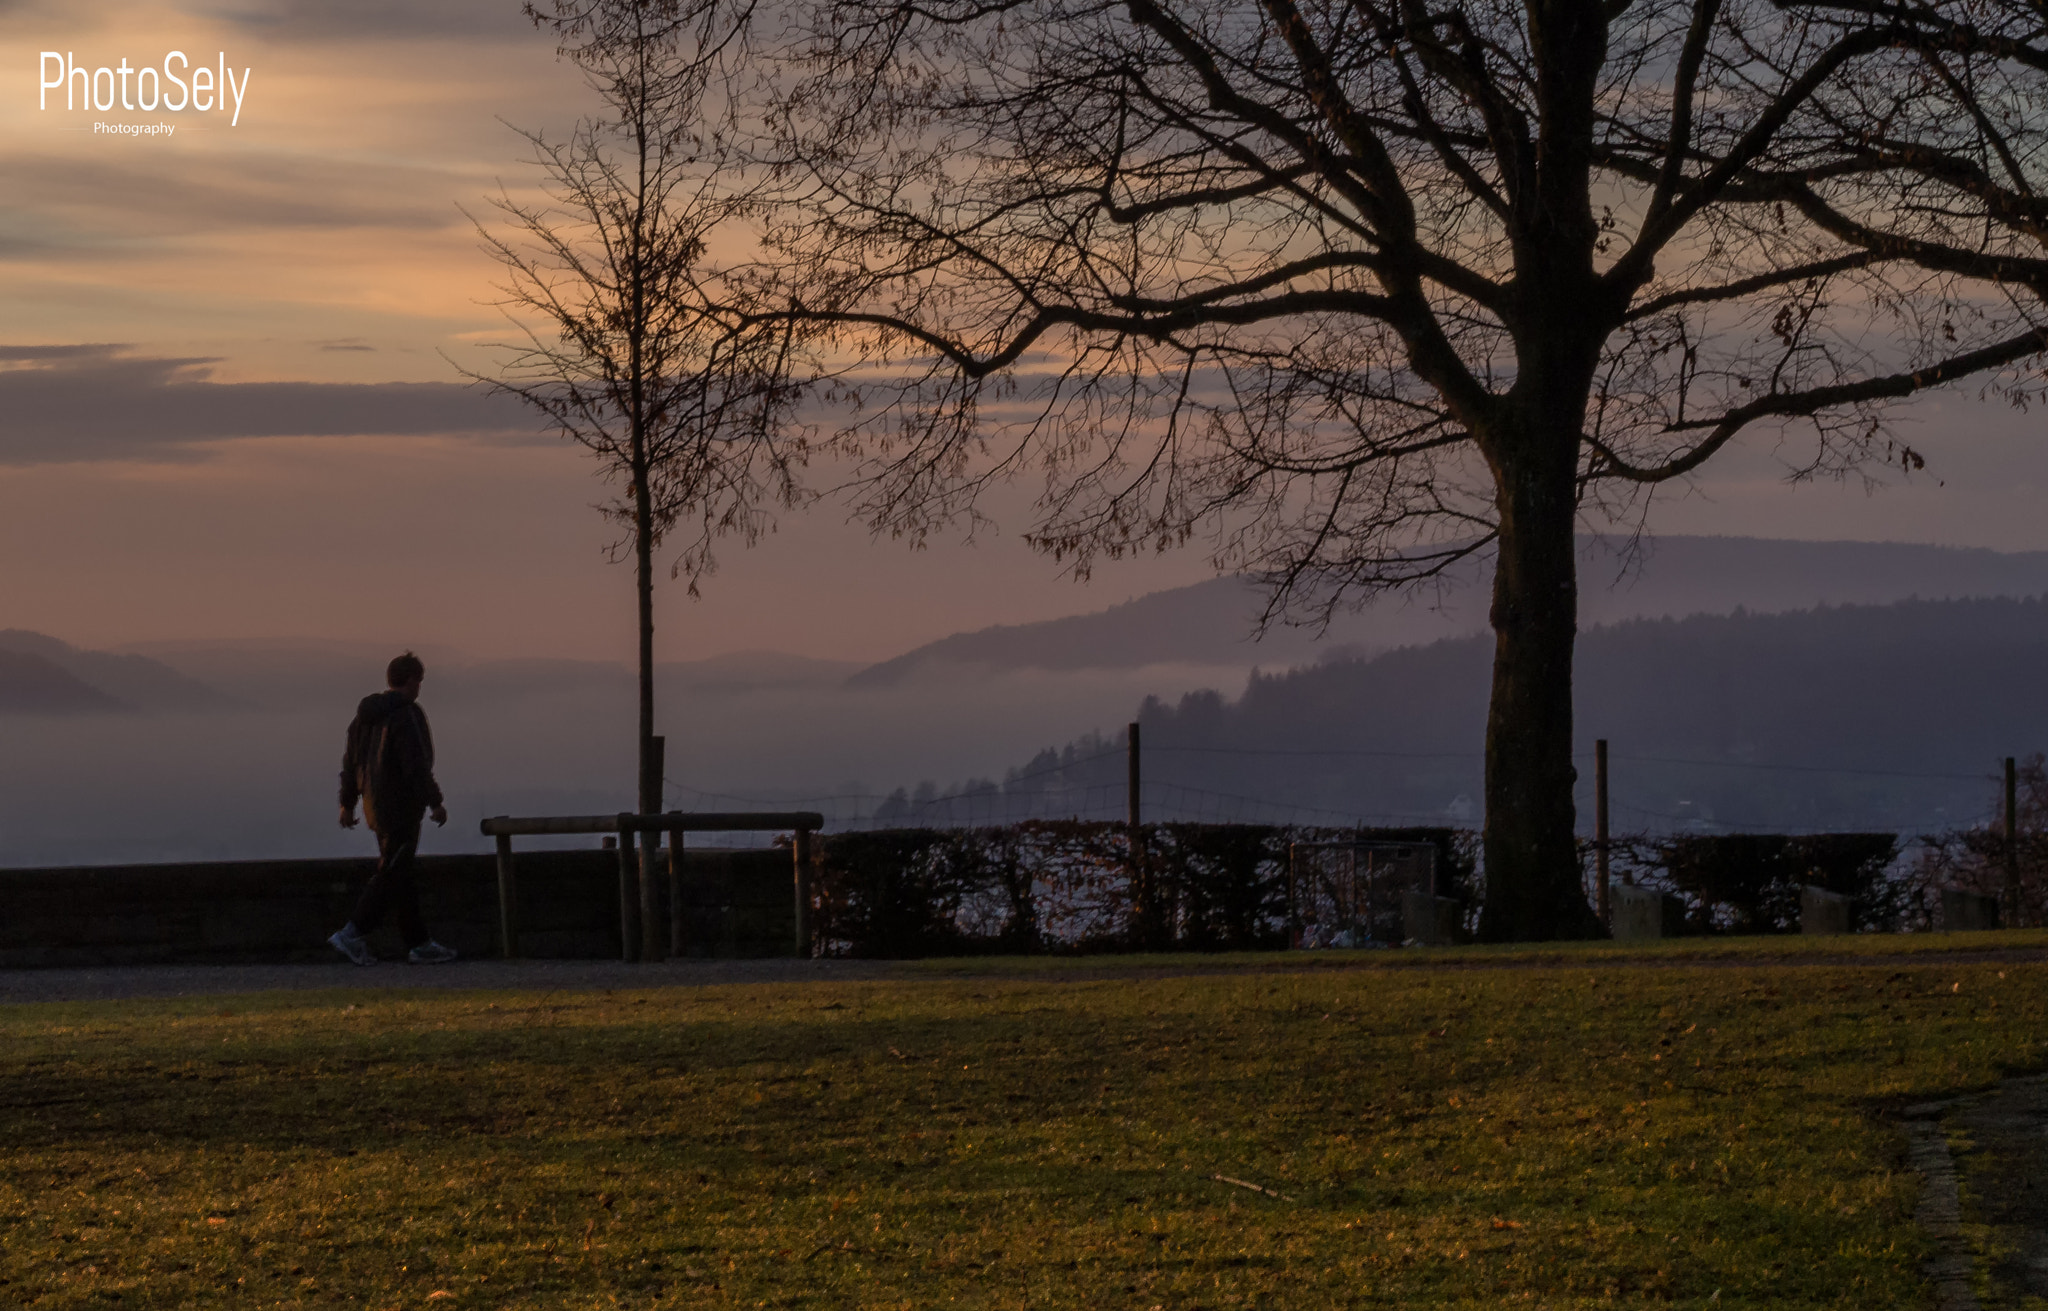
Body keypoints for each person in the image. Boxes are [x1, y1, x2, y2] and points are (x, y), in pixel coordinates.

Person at [327, 652, 457, 965]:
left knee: (401, 874)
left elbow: (351, 763)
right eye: (419, 680)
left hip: (376, 807)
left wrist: (347, 804)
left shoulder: (363, 718)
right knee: (391, 873)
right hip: (401, 808)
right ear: (411, 679)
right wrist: (435, 802)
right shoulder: (406, 715)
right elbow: (416, 766)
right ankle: (351, 933)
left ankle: (419, 943)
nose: (420, 687)